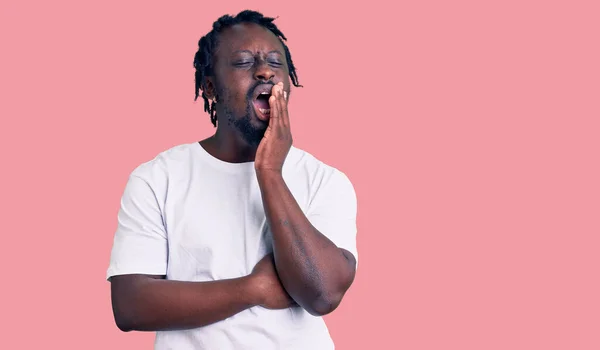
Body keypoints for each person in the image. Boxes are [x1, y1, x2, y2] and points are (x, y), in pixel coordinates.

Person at [106, 10, 358, 350]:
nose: (265, 71)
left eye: (275, 62)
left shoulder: (326, 181)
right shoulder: (157, 178)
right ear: (210, 86)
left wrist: (269, 173)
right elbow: (130, 304)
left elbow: (323, 293)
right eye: (243, 62)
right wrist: (253, 288)